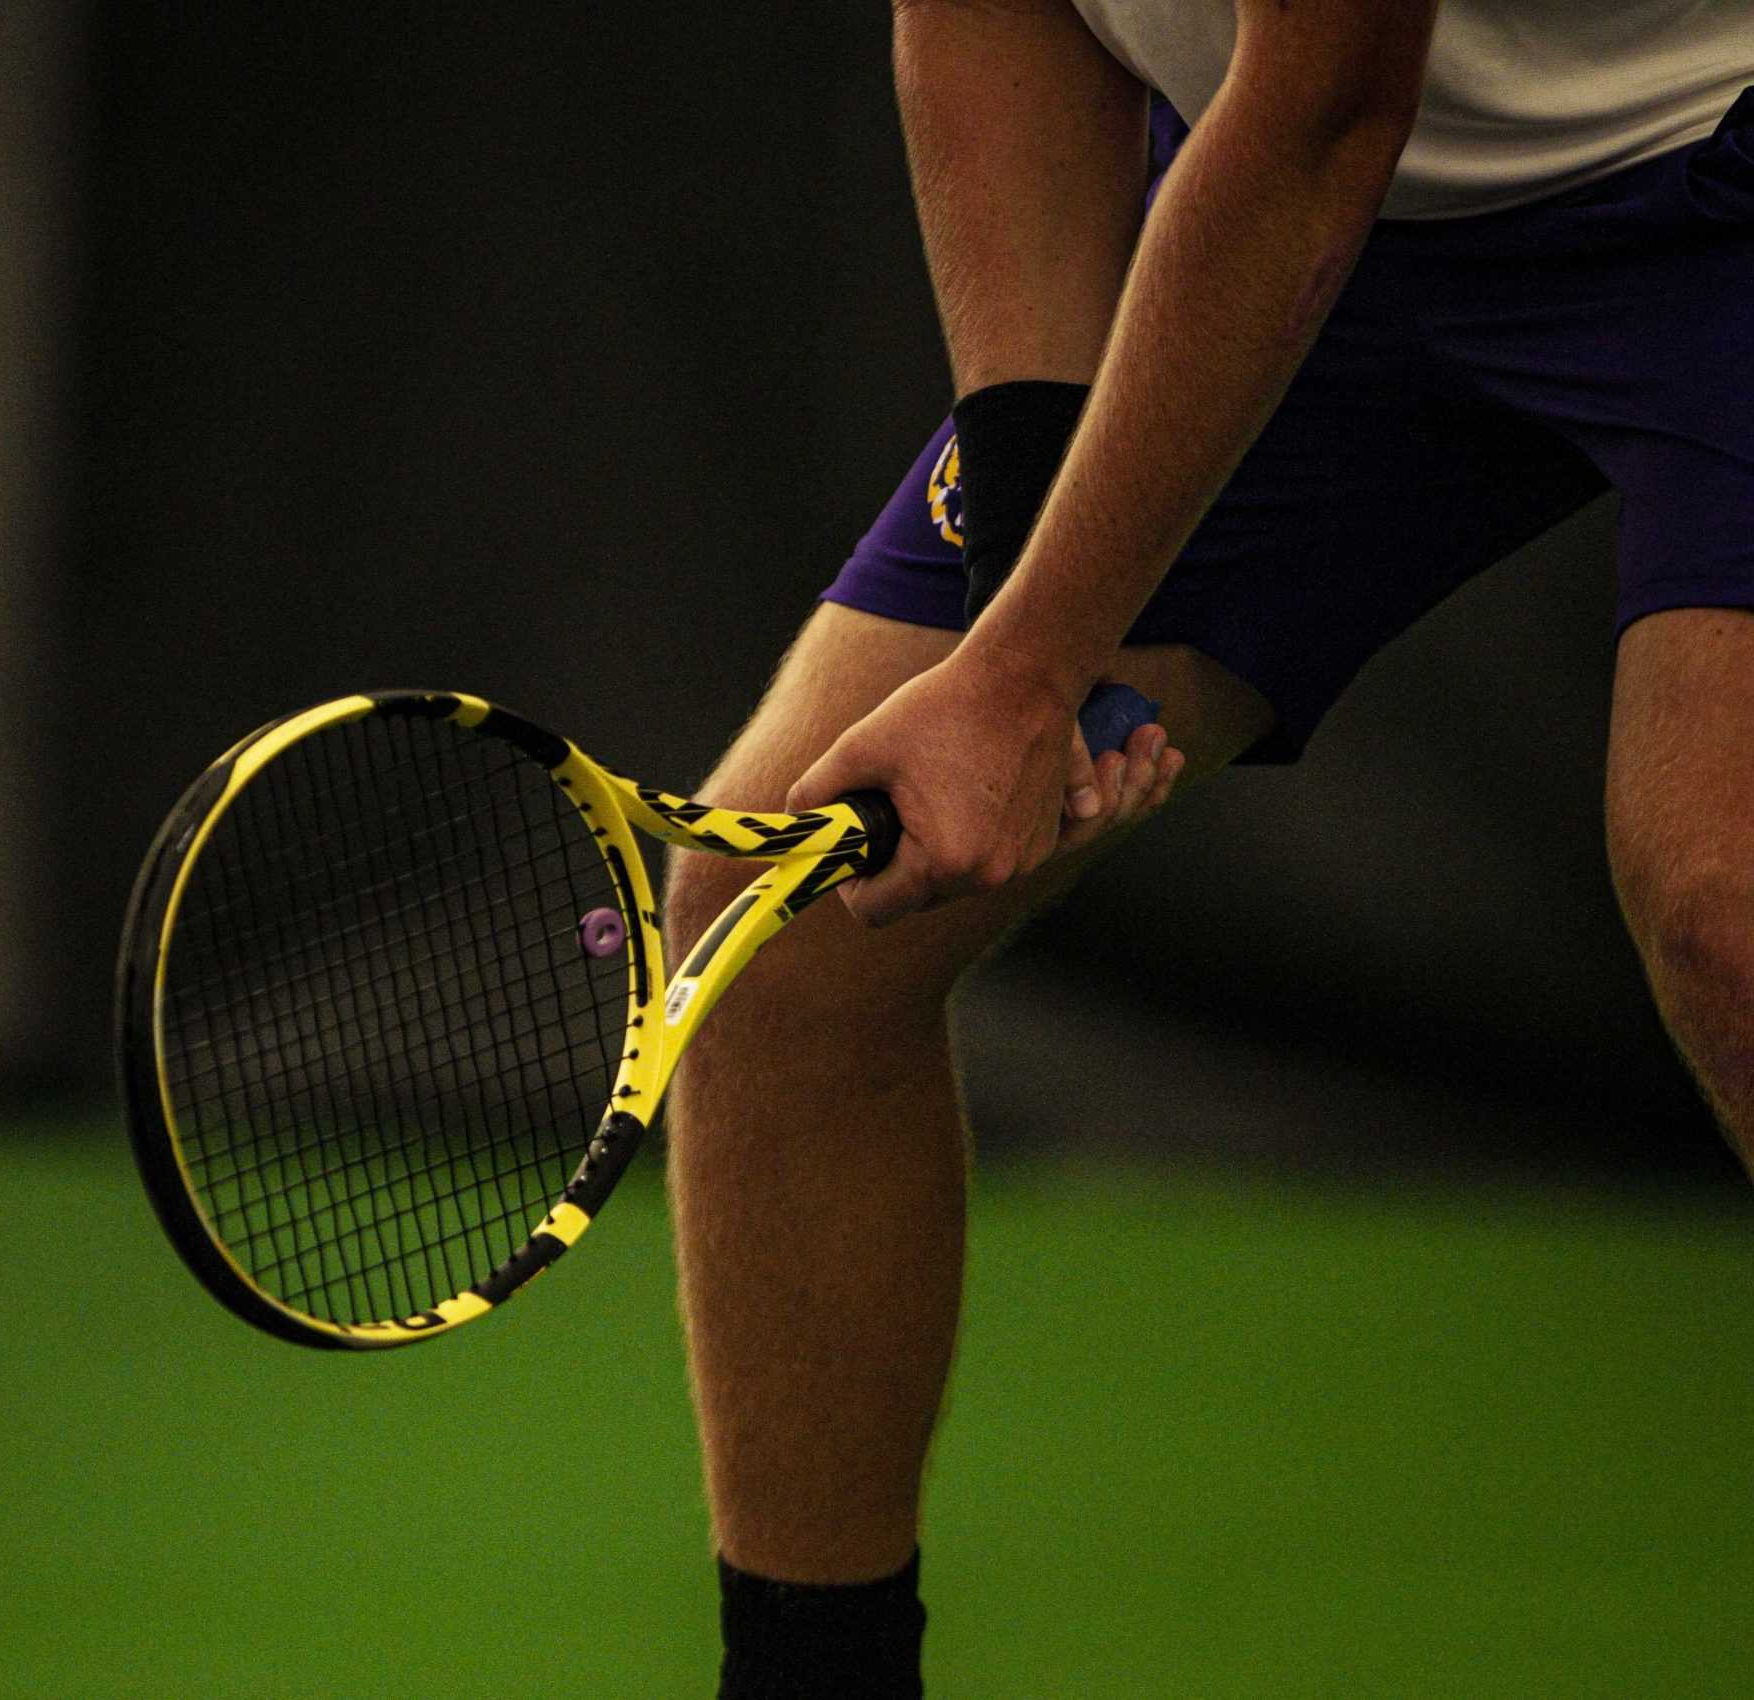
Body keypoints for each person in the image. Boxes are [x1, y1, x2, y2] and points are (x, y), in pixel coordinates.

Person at [664, 2, 1754, 1693]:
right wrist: (1034, 565)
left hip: (1701, 174)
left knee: (1726, 900)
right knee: (782, 913)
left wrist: (1028, 674)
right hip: (1319, 219)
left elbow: (1326, 112)